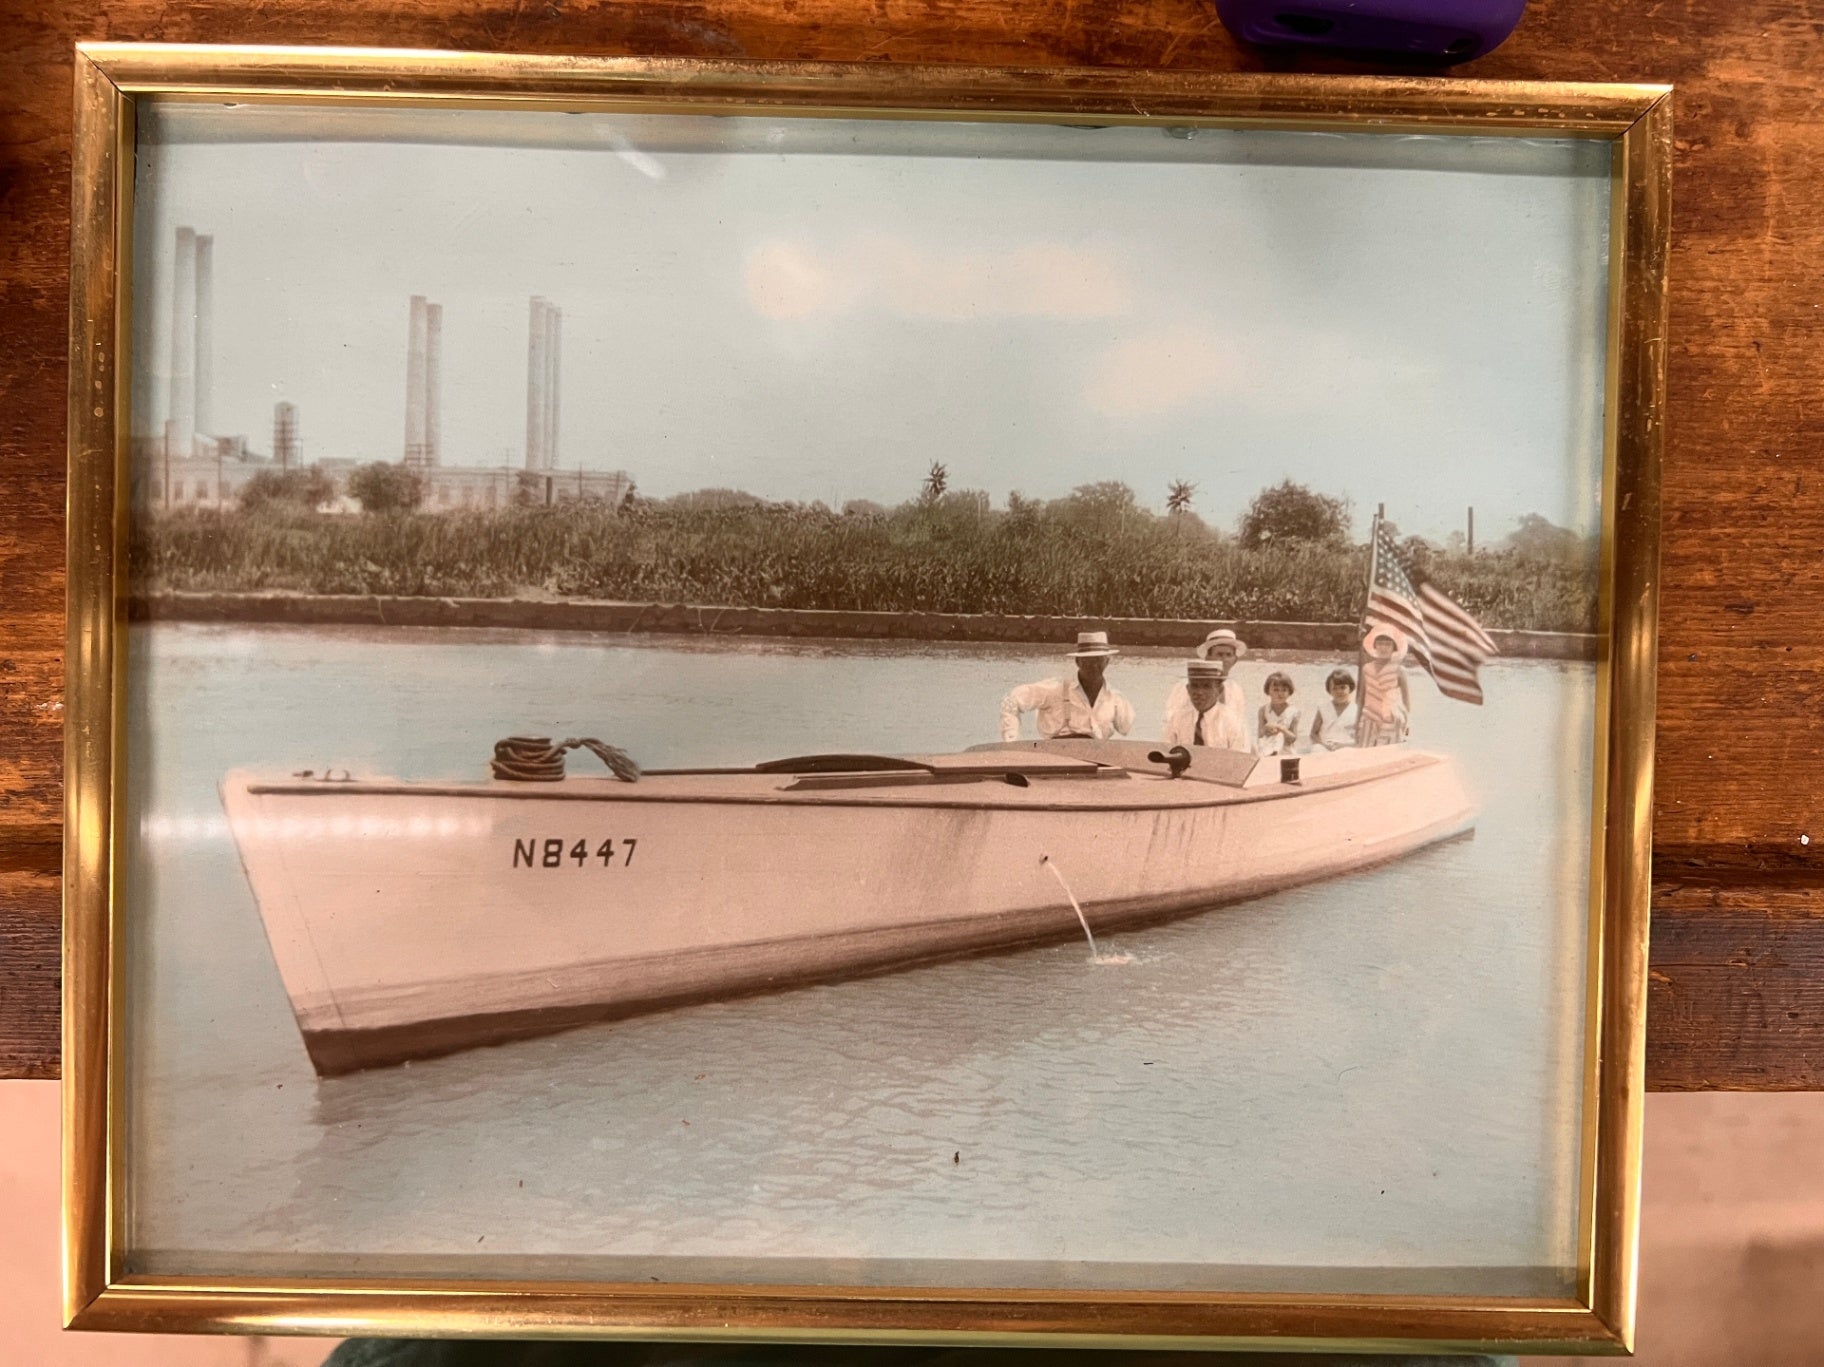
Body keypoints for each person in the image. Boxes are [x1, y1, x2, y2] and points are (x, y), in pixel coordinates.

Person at [999, 630, 1135, 741]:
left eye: (1098, 660)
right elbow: (1012, 699)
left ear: (1107, 662)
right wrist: (1011, 739)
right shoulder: (1055, 689)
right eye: (1088, 661)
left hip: (1098, 759)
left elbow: (1126, 729)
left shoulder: (1115, 699)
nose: (1093, 666)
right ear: (1078, 662)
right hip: (1057, 757)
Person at [1162, 658, 1248, 750]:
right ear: (1188, 689)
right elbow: (1165, 752)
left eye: (1207, 686)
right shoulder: (1177, 719)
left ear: (1219, 690)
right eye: (1195, 686)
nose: (1199, 692)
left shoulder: (1232, 722)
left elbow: (1240, 756)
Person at [1357, 625, 1411, 746]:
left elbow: (1406, 701)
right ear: (1374, 646)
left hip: (1391, 719)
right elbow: (1361, 699)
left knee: (1388, 753)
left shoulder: (1399, 670)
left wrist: (1407, 725)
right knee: (1365, 753)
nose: (1383, 648)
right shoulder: (1367, 668)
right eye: (1380, 643)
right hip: (1368, 718)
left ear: (1394, 648)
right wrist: (1356, 723)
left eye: (1388, 644)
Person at [1308, 668, 1360, 751]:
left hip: (1347, 746)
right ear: (1329, 690)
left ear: (1350, 688)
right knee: (1317, 749)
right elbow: (1313, 733)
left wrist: (1343, 745)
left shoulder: (1356, 710)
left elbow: (1360, 736)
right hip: (1326, 746)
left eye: (1343, 687)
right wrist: (1324, 745)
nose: (1339, 691)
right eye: (1335, 688)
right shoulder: (1323, 708)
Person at [1254, 671, 1301, 756]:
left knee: (1280, 736)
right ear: (1268, 691)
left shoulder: (1294, 711)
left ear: (1289, 692)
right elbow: (1260, 735)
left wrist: (1281, 729)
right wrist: (1266, 728)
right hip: (1267, 748)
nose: (1280, 694)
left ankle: (1274, 753)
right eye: (1276, 690)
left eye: (1284, 690)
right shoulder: (1263, 710)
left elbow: (1293, 738)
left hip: (1286, 751)